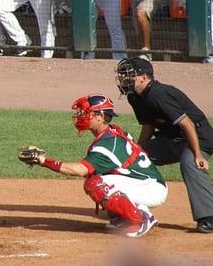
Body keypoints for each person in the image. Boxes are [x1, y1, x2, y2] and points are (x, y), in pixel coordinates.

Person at [22, 94, 167, 237]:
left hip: (150, 188)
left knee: (95, 183)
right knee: (99, 175)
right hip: (144, 182)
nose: (82, 116)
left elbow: (79, 170)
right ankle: (123, 216)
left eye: (87, 113)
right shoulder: (114, 132)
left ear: (101, 116)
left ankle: (140, 219)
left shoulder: (107, 145)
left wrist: (43, 161)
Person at [116, 57, 213, 233]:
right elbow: (149, 124)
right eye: (122, 76)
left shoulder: (159, 94)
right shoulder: (135, 97)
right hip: (170, 140)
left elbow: (187, 124)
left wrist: (198, 155)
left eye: (129, 76)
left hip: (198, 138)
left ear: (143, 77)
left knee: (190, 164)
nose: (124, 80)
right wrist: (138, 151)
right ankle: (128, 209)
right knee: (133, 159)